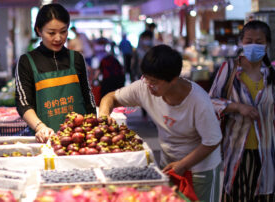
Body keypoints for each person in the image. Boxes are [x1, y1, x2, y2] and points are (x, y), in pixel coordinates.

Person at [99, 45, 222, 202]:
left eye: (154, 82)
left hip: (199, 168)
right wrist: (103, 115)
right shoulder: (144, 86)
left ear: (173, 80)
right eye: (146, 78)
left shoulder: (198, 101)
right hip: (169, 163)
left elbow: (212, 141)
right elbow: (110, 97)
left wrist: (183, 164)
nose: (149, 85)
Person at [209, 20, 275, 201]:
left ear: (267, 44)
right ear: (241, 42)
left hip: (267, 150)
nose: (253, 45)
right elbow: (210, 102)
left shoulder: (271, 73)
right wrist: (237, 107)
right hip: (237, 149)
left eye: (259, 42)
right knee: (236, 196)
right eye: (248, 41)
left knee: (265, 195)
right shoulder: (229, 69)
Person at [15, 3, 96, 143]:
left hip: (80, 139)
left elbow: (87, 96)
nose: (58, 38)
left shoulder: (76, 58)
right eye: (51, 33)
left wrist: (93, 125)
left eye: (63, 31)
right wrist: (40, 127)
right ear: (39, 31)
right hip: (46, 139)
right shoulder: (27, 61)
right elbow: (23, 103)